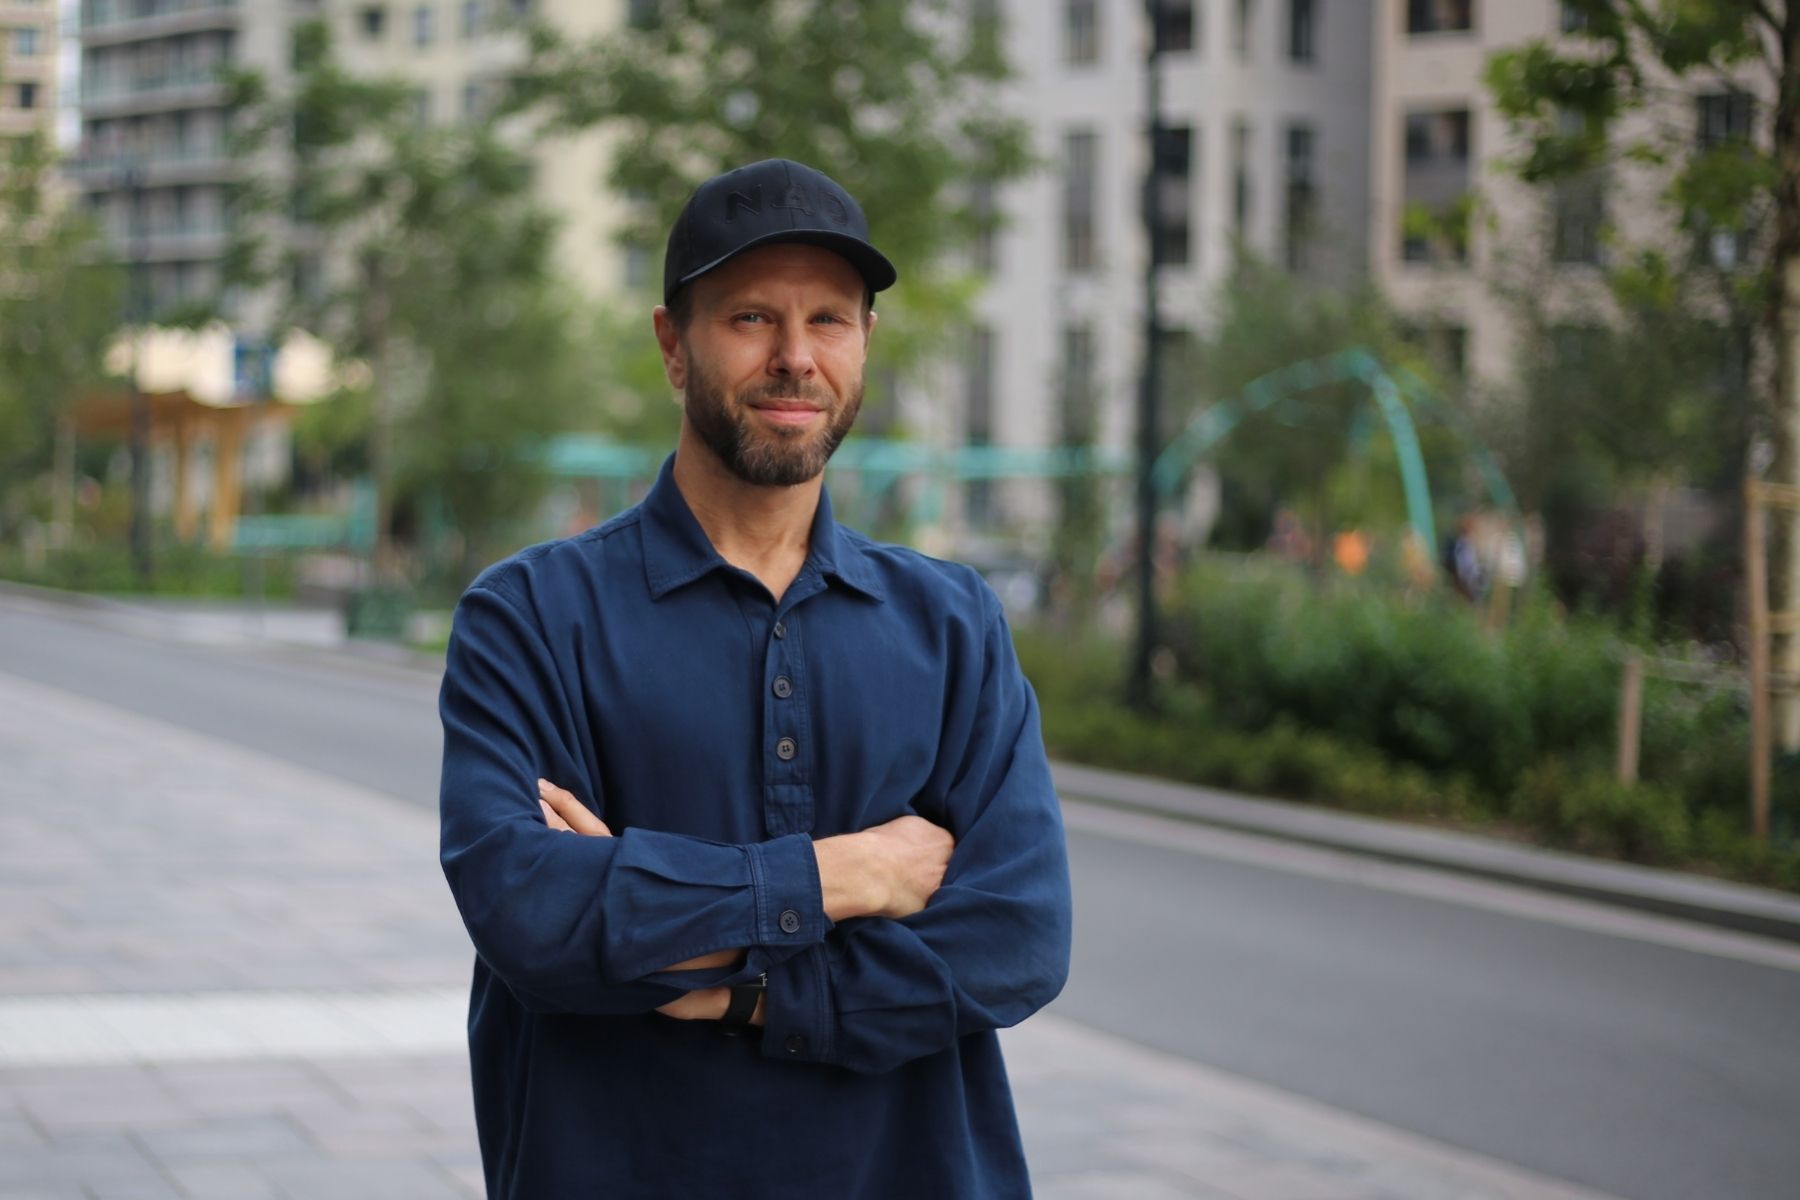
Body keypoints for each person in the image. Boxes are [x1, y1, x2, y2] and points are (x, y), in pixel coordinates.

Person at [437, 158, 1074, 1199]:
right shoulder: (531, 617)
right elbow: (531, 914)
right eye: (749, 318)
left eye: (829, 319)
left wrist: (732, 985)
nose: (794, 357)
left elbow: (1018, 937)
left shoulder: (954, 624)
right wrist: (842, 876)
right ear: (671, 345)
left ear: (865, 341)